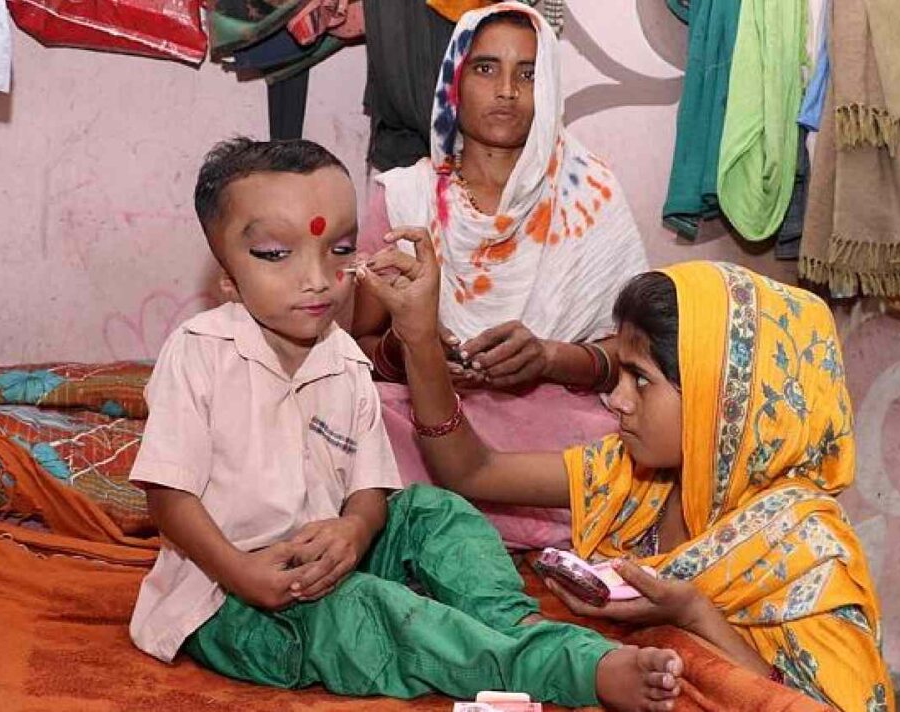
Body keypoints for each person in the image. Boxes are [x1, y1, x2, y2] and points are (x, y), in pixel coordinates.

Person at [127, 137, 685, 711]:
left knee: (434, 511)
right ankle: (570, 667)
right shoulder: (198, 351)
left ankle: (510, 624)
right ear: (226, 276)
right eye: (277, 254)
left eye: (338, 249)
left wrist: (355, 530)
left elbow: (370, 490)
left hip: (333, 553)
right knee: (370, 612)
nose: (317, 278)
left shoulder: (345, 359)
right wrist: (242, 573)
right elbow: (168, 498)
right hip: (232, 597)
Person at [356, 230, 896, 711]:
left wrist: (694, 615)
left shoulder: (807, 555)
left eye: (640, 379)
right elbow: (472, 471)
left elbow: (797, 703)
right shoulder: (638, 475)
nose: (615, 400)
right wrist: (421, 339)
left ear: (720, 400)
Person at [351, 3, 650, 549]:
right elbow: (358, 347)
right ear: (454, 84)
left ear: (551, 86)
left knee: (626, 445)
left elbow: (635, 356)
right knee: (360, 418)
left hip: (550, 413)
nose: (507, 89)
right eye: (486, 68)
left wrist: (550, 358)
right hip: (429, 412)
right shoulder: (403, 196)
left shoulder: (592, 194)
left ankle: (448, 525)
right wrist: (418, 354)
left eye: (529, 73)